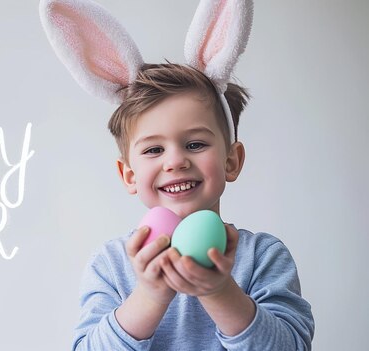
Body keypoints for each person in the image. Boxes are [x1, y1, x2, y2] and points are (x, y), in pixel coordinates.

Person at [39, 0, 314, 349]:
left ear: (232, 160)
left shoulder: (263, 257)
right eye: (154, 150)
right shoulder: (111, 265)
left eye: (195, 144)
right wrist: (150, 296)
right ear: (129, 175)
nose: (175, 161)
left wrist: (219, 291)